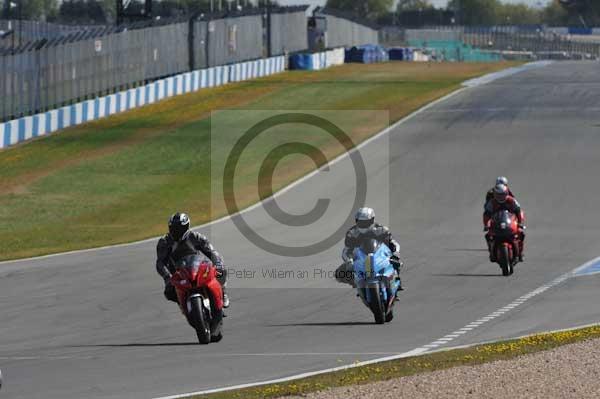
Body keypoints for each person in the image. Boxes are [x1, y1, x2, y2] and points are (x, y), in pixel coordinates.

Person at [155, 212, 229, 308]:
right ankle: (183, 304)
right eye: (173, 229)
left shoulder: (196, 237)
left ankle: (222, 292)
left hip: (197, 268)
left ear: (186, 227)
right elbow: (160, 262)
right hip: (177, 275)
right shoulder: (164, 242)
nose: (176, 231)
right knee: (169, 292)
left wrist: (217, 263)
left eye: (179, 229)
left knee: (220, 269)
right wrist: (167, 277)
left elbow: (212, 252)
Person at [335, 207, 403, 290]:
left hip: (380, 257)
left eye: (366, 222)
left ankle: (397, 282)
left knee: (396, 262)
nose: (363, 225)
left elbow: (393, 243)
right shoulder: (352, 233)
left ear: (372, 220)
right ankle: (356, 283)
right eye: (360, 222)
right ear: (356, 221)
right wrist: (349, 261)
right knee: (339, 273)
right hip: (361, 258)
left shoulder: (382, 230)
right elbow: (347, 250)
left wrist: (396, 253)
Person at [483, 184, 526, 262]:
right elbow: (486, 214)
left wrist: (520, 223)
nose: (500, 197)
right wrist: (486, 224)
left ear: (506, 193)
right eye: (498, 195)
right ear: (495, 194)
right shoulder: (492, 202)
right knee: (488, 235)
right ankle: (491, 252)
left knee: (520, 233)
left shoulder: (511, 200)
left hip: (510, 222)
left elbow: (518, 211)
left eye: (502, 195)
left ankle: (520, 253)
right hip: (497, 223)